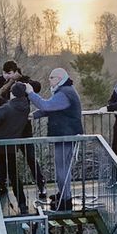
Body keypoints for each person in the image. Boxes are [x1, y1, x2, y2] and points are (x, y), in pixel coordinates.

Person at [0, 60, 46, 199]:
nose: (6, 77)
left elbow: (37, 86)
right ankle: (2, 184)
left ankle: (41, 185)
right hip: (7, 130)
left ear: (15, 72)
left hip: (23, 129)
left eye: (9, 73)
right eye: (4, 73)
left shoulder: (23, 81)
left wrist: (22, 80)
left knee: (30, 157)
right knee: (3, 160)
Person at [29, 68, 84, 212]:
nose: (49, 80)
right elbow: (53, 108)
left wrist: (30, 93)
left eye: (52, 77)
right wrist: (35, 115)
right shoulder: (65, 91)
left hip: (66, 136)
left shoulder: (65, 93)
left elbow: (46, 105)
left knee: (62, 169)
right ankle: (63, 195)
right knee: (62, 168)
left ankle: (65, 200)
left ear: (60, 78)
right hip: (64, 135)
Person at [0, 82, 35, 214]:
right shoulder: (25, 107)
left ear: (12, 93)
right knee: (14, 175)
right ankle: (22, 204)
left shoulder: (7, 109)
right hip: (11, 146)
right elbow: (9, 109)